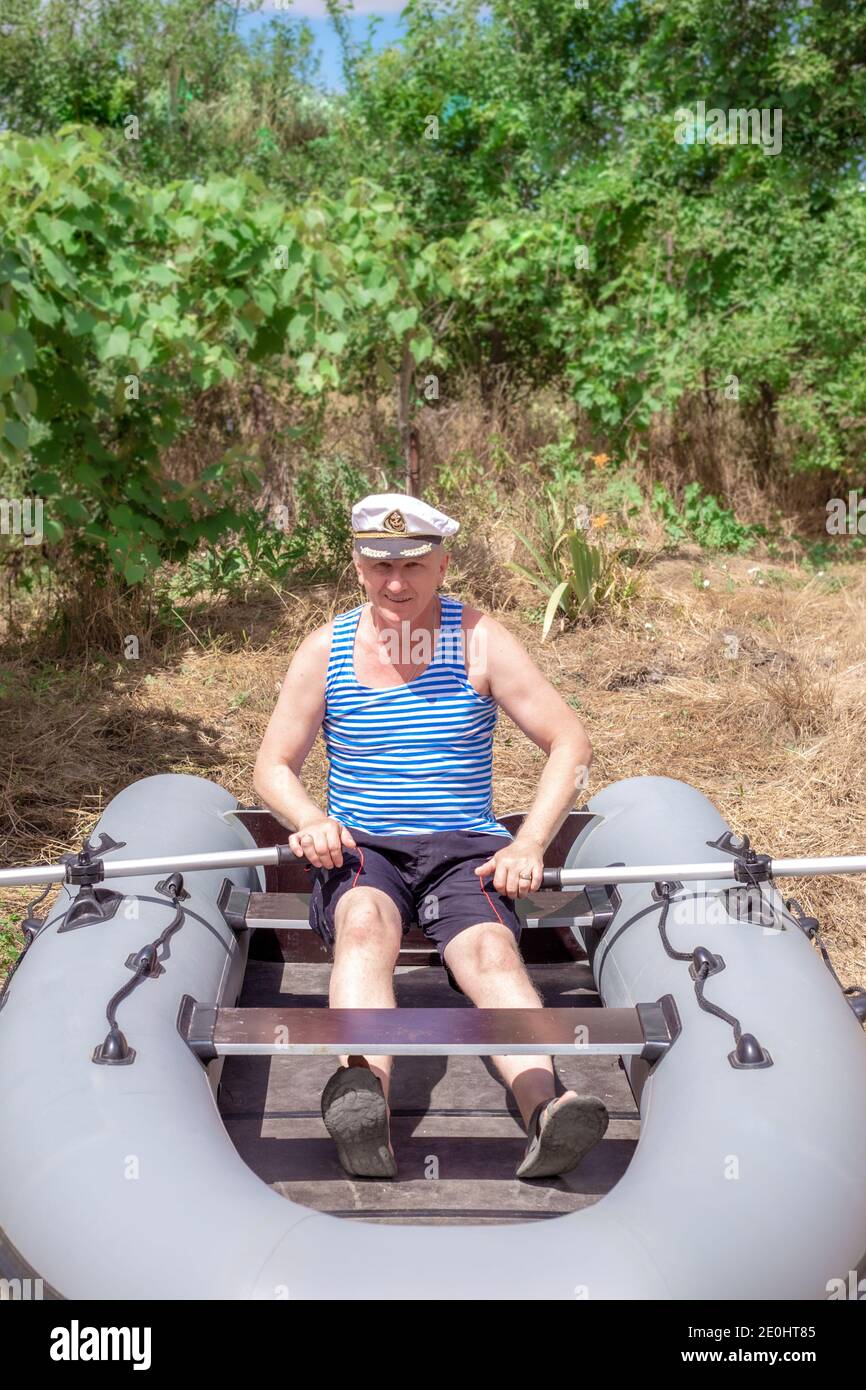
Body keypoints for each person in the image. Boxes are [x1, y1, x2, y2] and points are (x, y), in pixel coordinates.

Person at [253, 492, 609, 1180]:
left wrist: (530, 842)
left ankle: (547, 1106)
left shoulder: (481, 640)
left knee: (491, 952)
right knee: (362, 925)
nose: (396, 582)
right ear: (357, 565)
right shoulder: (326, 648)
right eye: (379, 564)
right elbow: (272, 766)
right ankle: (363, 1097)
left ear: (442, 563)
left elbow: (569, 742)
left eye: (413, 565)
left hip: (464, 849)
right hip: (364, 848)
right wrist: (310, 822)